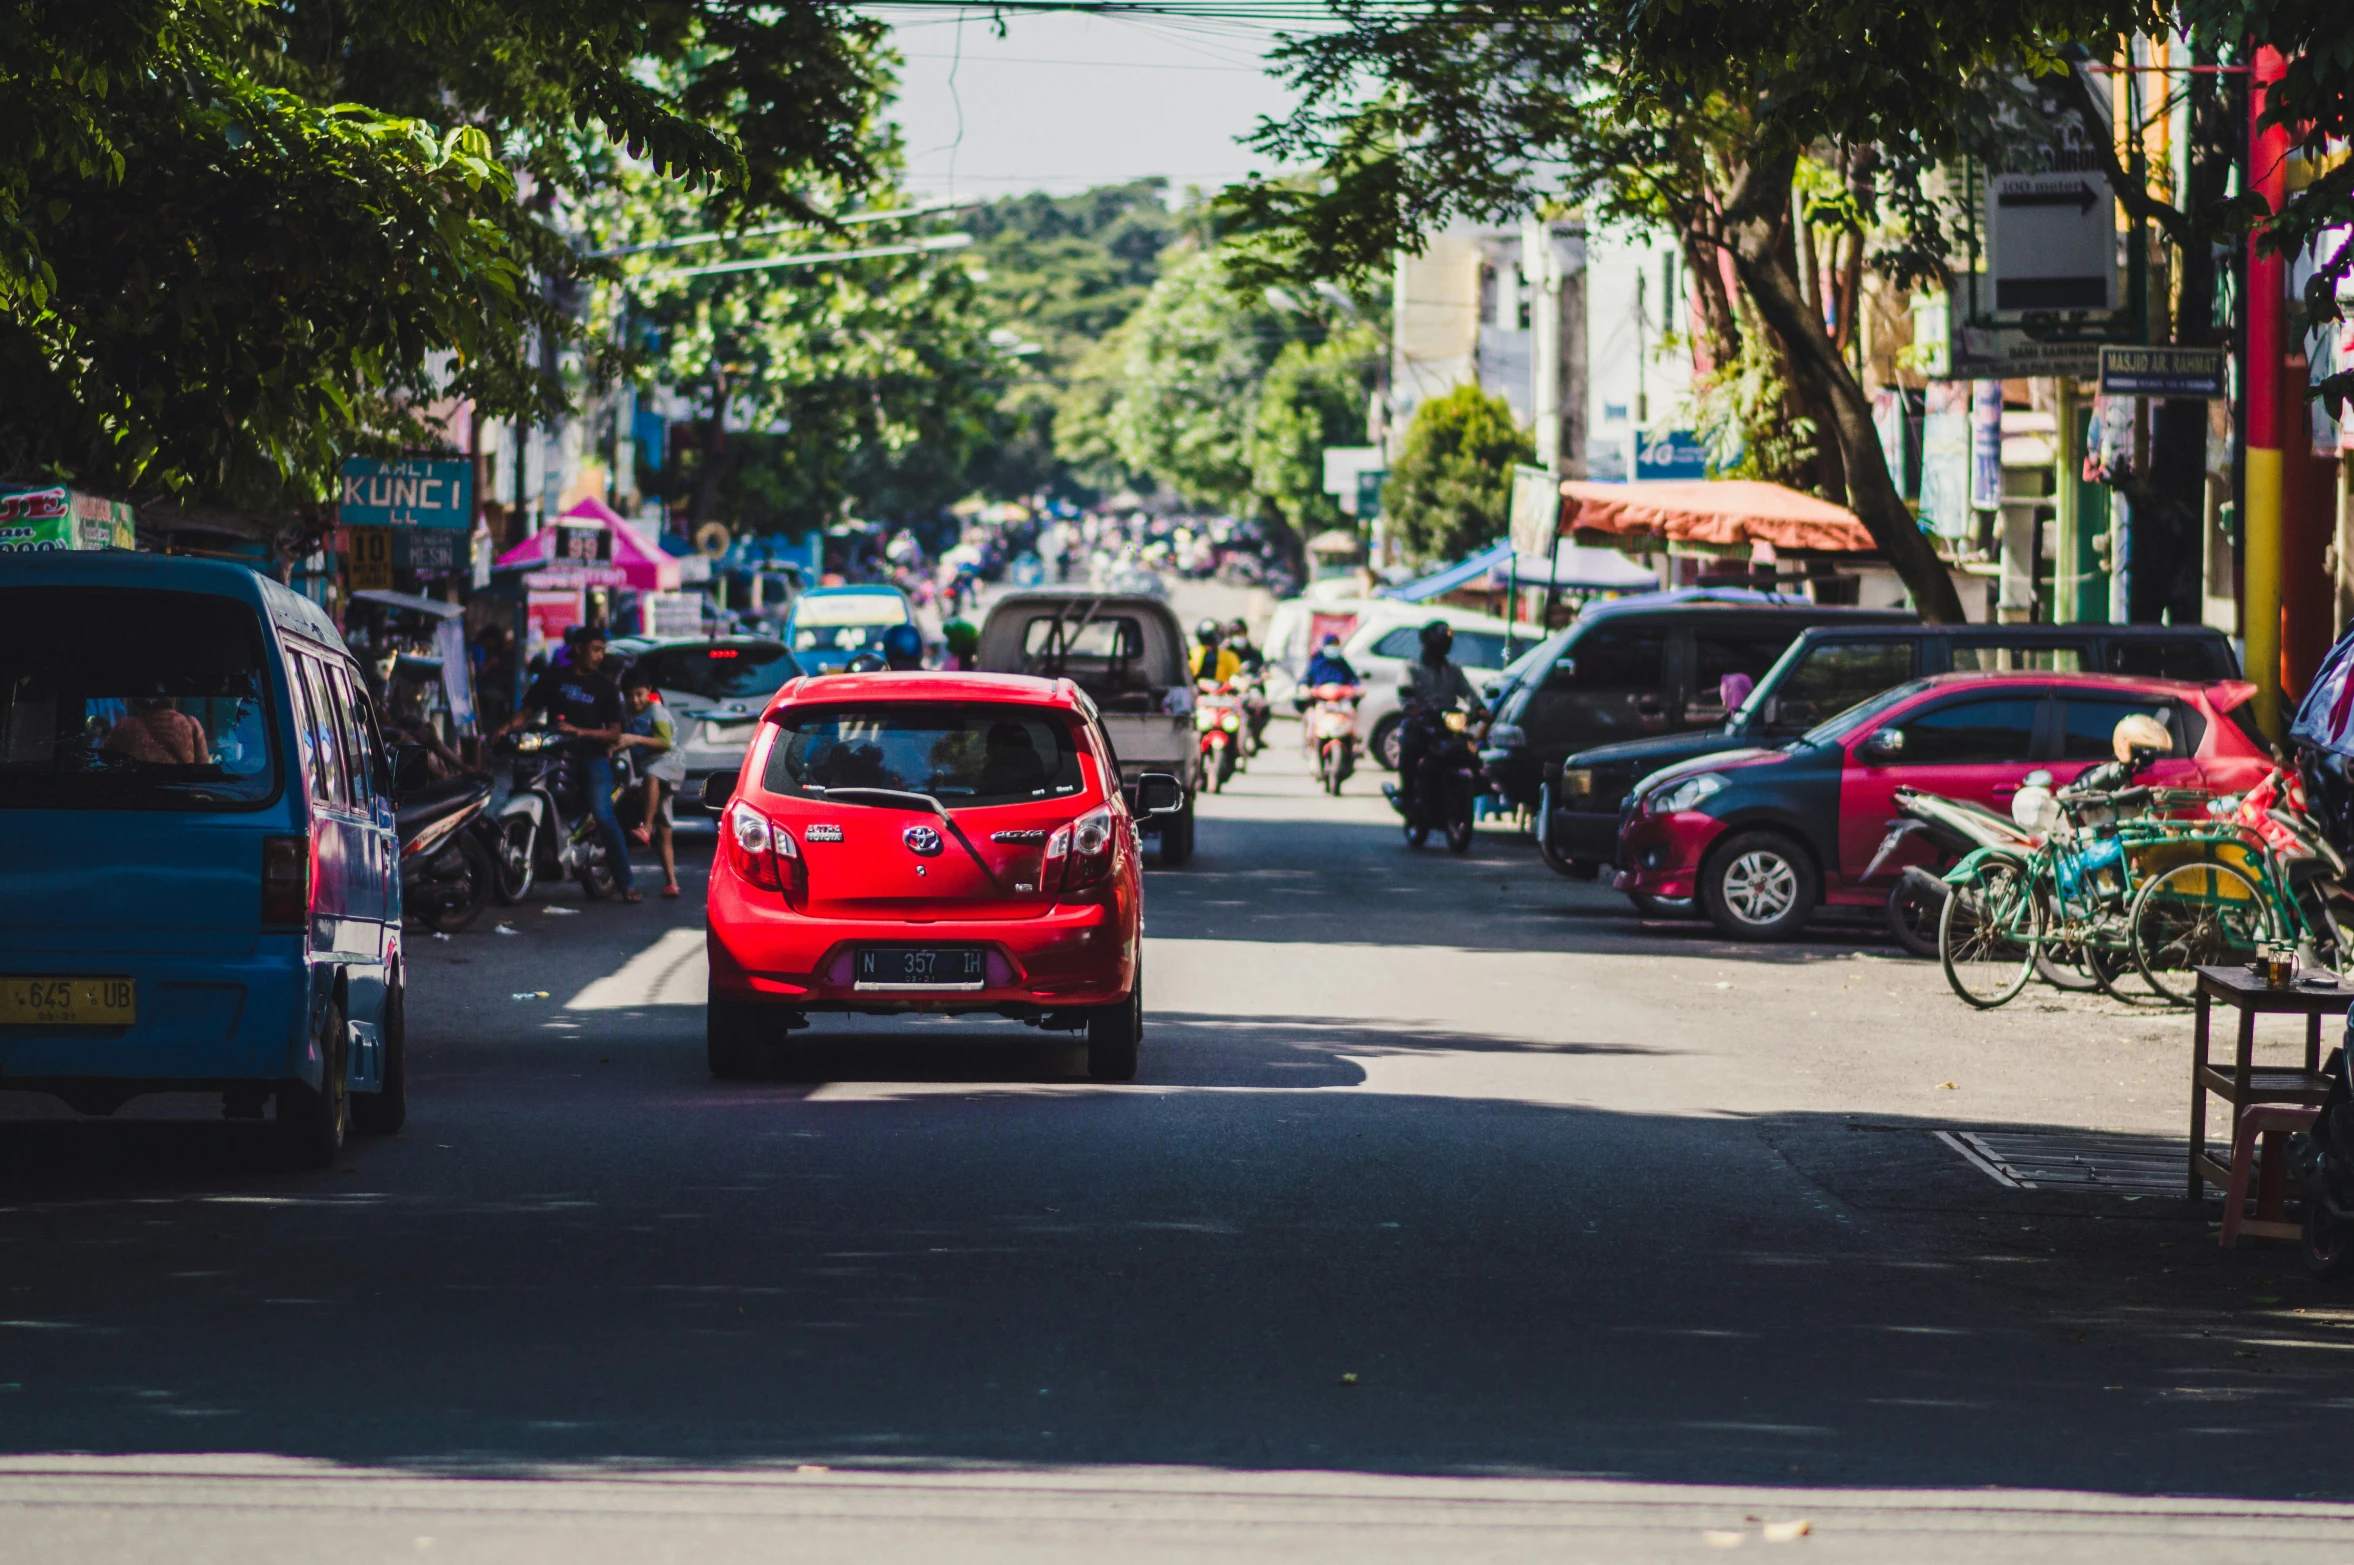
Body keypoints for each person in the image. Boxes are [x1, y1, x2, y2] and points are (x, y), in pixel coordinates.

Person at [498, 630, 638, 903]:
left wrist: (579, 732)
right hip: (552, 753)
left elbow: (613, 733)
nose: (599, 656)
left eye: (602, 650)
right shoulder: (554, 678)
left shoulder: (605, 687)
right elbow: (526, 712)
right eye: (595, 649)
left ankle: (627, 883)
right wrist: (505, 728)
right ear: (578, 648)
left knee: (603, 815)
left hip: (591, 757)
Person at [1396, 620, 1487, 816]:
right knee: (1410, 745)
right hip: (1422, 723)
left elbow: (1468, 693)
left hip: (1447, 723)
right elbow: (1405, 692)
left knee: (1469, 749)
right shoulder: (1412, 668)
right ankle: (1407, 794)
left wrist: (1479, 708)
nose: (1442, 644)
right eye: (1438, 639)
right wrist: (1412, 707)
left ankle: (1477, 786)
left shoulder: (1453, 671)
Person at [618, 675, 687, 898]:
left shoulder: (656, 711)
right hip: (649, 769)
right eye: (630, 695)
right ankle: (671, 882)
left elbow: (665, 742)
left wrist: (634, 739)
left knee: (651, 776)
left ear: (648, 690)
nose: (635, 700)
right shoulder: (624, 711)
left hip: (669, 764)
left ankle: (645, 828)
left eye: (639, 694)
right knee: (664, 824)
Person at [102, 696, 208, 766]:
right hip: (182, 795)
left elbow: (104, 762)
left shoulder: (124, 726)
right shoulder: (192, 723)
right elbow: (203, 768)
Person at [1191, 619, 1239, 687]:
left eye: (1212, 640)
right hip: (1198, 690)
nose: (1209, 645)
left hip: (1223, 691)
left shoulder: (1229, 656)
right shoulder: (1193, 653)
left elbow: (1236, 676)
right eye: (1206, 640)